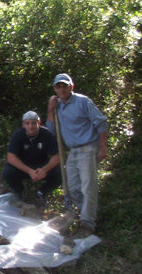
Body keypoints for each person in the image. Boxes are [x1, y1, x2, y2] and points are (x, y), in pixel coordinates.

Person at [47, 73, 108, 237]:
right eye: (58, 86)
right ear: (54, 89)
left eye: (64, 86)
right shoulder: (57, 105)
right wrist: (50, 109)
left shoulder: (82, 101)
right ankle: (88, 215)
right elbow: (51, 130)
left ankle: (87, 224)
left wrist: (103, 146)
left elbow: (101, 122)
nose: (61, 89)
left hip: (88, 148)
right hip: (73, 151)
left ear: (71, 86)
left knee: (88, 187)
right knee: (71, 188)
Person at [3, 111, 62, 206]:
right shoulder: (18, 135)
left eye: (34, 123)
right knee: (7, 173)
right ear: (23, 125)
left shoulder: (47, 134)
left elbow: (57, 156)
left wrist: (44, 169)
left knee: (62, 172)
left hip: (42, 166)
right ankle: (21, 191)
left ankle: (42, 192)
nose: (31, 126)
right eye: (27, 123)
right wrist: (30, 171)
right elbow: (11, 158)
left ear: (39, 123)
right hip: (24, 167)